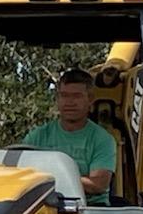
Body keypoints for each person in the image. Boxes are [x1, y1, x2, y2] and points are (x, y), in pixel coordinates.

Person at [23, 68, 116, 202]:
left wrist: (49, 179)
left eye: (76, 96)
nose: (69, 102)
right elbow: (19, 171)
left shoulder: (102, 140)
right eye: (64, 95)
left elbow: (98, 185)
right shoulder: (38, 136)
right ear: (57, 98)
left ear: (90, 99)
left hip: (89, 210)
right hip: (45, 206)